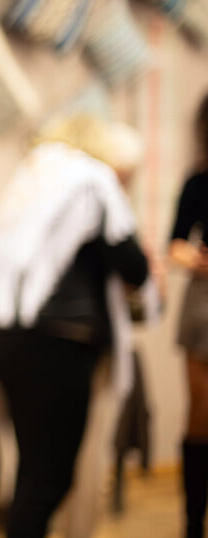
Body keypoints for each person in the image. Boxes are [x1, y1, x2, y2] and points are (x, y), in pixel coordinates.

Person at [0, 115, 160, 538]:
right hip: (60, 342)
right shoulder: (92, 180)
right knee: (51, 480)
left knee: (30, 473)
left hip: (7, 337)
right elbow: (133, 264)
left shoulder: (30, 180)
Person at [172, 93, 208, 538]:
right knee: (201, 413)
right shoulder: (198, 182)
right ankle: (192, 521)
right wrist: (197, 261)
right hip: (204, 304)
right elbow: (176, 245)